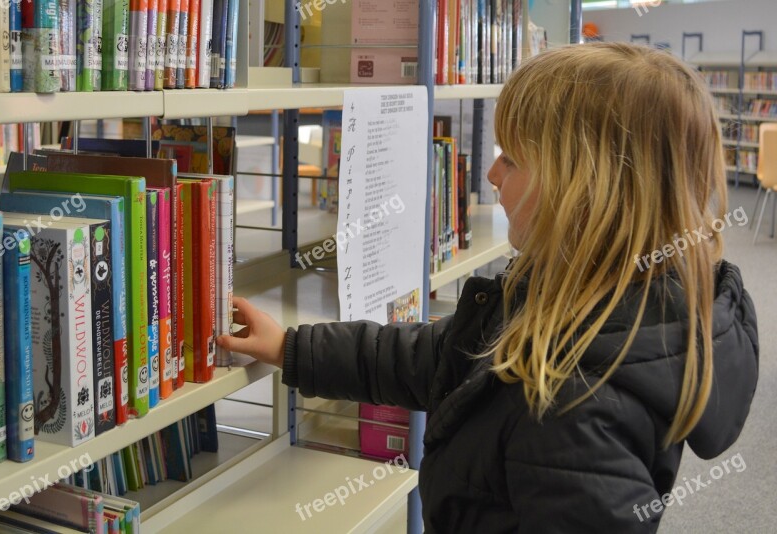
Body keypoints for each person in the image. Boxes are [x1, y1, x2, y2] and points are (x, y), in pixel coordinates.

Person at [217, 43, 759, 533]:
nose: (492, 175)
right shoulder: (579, 290)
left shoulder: (574, 405)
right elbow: (435, 358)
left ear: (587, 193)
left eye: (513, 159)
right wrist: (293, 347)